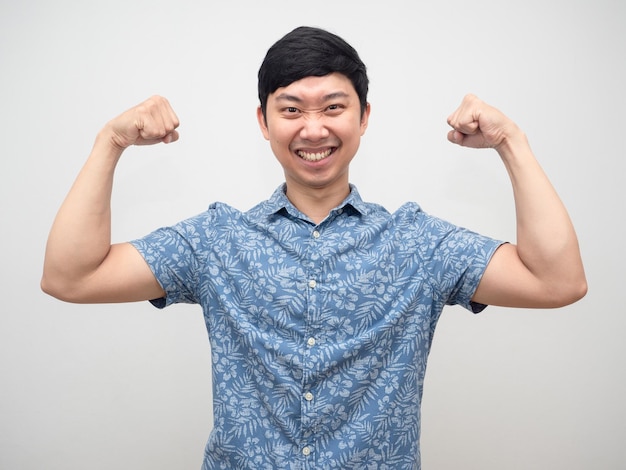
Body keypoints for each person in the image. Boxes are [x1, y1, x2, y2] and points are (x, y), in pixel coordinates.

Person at [41, 26, 587, 470]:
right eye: (291, 109)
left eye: (333, 107)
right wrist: (109, 142)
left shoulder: (417, 244)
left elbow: (556, 281)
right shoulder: (217, 241)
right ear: (264, 122)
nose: (313, 128)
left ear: (363, 117)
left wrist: (511, 141)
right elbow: (72, 277)